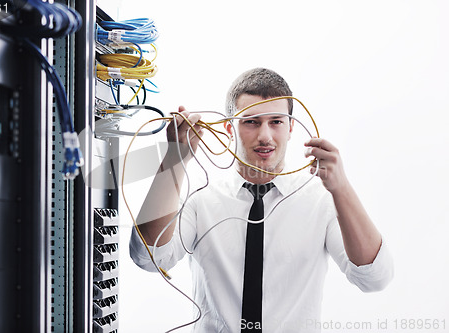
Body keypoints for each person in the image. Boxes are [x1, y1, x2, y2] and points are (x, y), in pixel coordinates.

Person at [130, 68, 394, 332]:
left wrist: (341, 188)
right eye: (251, 121)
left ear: (291, 127)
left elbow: (374, 278)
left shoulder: (321, 200)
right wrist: (174, 161)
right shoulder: (200, 198)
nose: (265, 136)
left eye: (276, 121)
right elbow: (148, 258)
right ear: (228, 128)